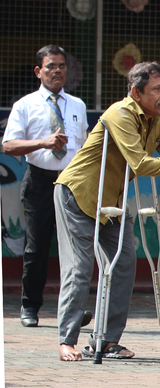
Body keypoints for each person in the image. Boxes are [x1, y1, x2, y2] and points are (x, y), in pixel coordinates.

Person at [54, 62, 160, 361]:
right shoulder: (120, 114)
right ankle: (66, 340)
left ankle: (106, 340)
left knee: (124, 265)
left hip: (114, 200)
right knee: (79, 269)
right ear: (136, 92)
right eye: (157, 89)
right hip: (79, 195)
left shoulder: (155, 119)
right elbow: (141, 164)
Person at [2, 45, 91, 328]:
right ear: (38, 71)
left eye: (62, 66)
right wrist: (43, 142)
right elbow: (8, 145)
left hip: (71, 182)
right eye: (51, 66)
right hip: (39, 179)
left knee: (76, 248)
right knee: (37, 247)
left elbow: (85, 143)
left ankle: (74, 310)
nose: (57, 71)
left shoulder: (77, 105)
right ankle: (30, 307)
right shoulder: (25, 105)